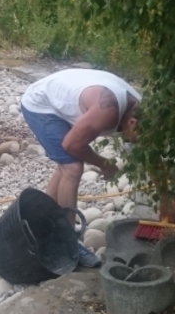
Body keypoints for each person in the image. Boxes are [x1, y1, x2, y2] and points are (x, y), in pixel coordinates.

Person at [20, 68, 142, 267]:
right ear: (132, 122)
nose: (136, 144)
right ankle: (69, 243)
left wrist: (165, 203)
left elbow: (150, 154)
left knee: (65, 166)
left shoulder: (138, 109)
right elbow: (72, 144)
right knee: (73, 167)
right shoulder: (108, 111)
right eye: (138, 138)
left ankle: (42, 222)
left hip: (63, 93)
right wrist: (106, 164)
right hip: (41, 104)